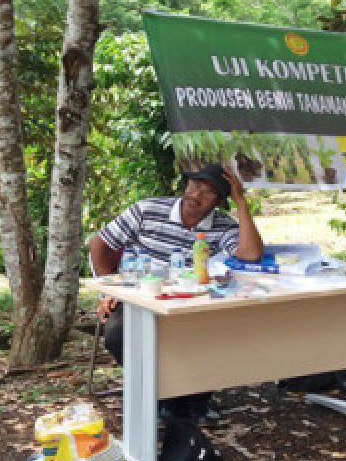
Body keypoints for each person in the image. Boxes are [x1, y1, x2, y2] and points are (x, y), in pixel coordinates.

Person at [87, 163, 264, 419]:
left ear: (219, 201)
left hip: (190, 302)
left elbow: (250, 254)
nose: (196, 195)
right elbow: (99, 243)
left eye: (208, 192)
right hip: (139, 295)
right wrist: (107, 290)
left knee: (217, 332)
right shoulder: (147, 210)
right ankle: (160, 394)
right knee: (118, 334)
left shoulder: (223, 226)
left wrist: (241, 202)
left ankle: (191, 400)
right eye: (194, 185)